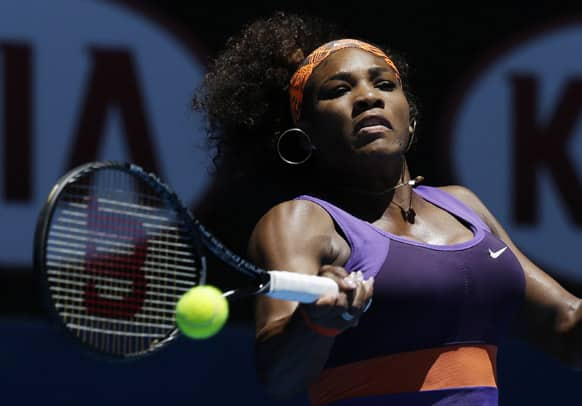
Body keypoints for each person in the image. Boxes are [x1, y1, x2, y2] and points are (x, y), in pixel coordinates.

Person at [191, 11, 582, 405]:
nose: (367, 97)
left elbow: (566, 328)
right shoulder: (302, 221)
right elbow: (279, 376)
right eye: (337, 90)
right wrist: (316, 324)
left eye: (384, 83)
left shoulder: (464, 206)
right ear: (305, 132)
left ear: (410, 121)